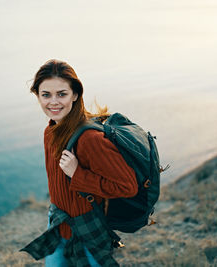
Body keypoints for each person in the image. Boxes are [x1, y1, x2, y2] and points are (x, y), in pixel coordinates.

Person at [20, 59, 138, 267]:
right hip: (58, 222)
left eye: (62, 94)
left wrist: (78, 175)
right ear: (37, 95)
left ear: (75, 95)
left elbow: (127, 186)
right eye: (46, 94)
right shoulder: (50, 132)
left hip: (88, 227)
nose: (53, 102)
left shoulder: (90, 139)